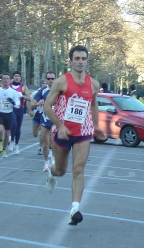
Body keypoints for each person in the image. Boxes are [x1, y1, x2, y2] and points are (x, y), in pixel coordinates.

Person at [44, 45, 106, 225]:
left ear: (87, 61)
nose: (80, 62)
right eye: (77, 59)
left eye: (83, 59)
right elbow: (47, 106)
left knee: (78, 170)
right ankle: (51, 171)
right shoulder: (61, 82)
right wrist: (59, 125)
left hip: (83, 132)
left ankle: (75, 209)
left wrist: (95, 126)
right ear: (70, 61)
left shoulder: (93, 84)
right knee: (61, 171)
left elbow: (93, 105)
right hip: (62, 132)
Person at [32, 71, 56, 171]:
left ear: (55, 79)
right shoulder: (42, 90)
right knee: (45, 143)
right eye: (48, 79)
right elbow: (32, 104)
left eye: (52, 79)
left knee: (54, 142)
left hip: (56, 120)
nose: (50, 81)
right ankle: (46, 162)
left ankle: (53, 160)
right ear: (46, 80)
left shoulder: (60, 90)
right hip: (45, 119)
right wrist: (38, 103)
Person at [0, 73, 20, 158]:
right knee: (0, 130)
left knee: (7, 135)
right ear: (1, 80)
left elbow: (18, 104)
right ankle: (0, 141)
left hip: (9, 114)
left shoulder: (13, 92)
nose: (6, 80)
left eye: (7, 79)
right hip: (0, 113)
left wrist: (13, 103)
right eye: (4, 79)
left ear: (10, 80)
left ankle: (4, 150)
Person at [9, 71, 31, 154]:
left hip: (20, 109)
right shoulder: (9, 86)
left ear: (20, 78)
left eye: (18, 76)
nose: (17, 77)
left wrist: (21, 95)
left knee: (18, 127)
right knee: (13, 124)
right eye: (15, 76)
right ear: (13, 77)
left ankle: (17, 145)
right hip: (11, 108)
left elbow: (29, 98)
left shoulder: (23, 87)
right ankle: (11, 141)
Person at [30, 78, 48, 155]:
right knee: (35, 134)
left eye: (45, 83)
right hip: (36, 114)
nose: (44, 84)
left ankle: (40, 147)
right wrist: (30, 110)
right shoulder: (36, 93)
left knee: (42, 132)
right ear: (40, 84)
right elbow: (30, 103)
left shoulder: (49, 92)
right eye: (43, 83)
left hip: (44, 114)